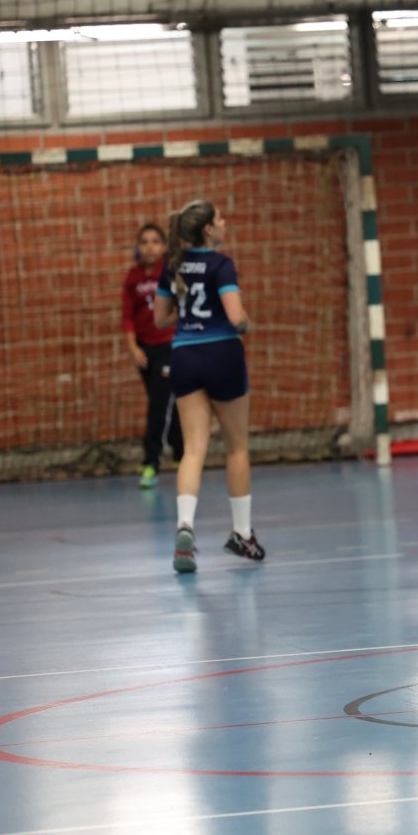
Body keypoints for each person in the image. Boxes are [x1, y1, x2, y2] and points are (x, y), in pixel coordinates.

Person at [153, 200, 266, 573]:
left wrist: (190, 317)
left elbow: (160, 319)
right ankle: (242, 534)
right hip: (222, 356)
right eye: (219, 218)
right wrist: (246, 321)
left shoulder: (172, 266)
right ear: (207, 229)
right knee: (237, 448)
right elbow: (235, 317)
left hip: (185, 357)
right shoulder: (222, 264)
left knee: (193, 450)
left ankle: (185, 526)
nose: (224, 221)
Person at [121, 223, 183, 488]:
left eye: (155, 241)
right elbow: (127, 316)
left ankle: (151, 462)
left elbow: (182, 305)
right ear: (138, 247)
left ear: (164, 247)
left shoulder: (170, 273)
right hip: (146, 351)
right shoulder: (133, 277)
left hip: (169, 346)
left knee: (159, 405)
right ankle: (181, 452)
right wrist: (133, 348)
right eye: (145, 242)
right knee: (168, 403)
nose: (150, 247)